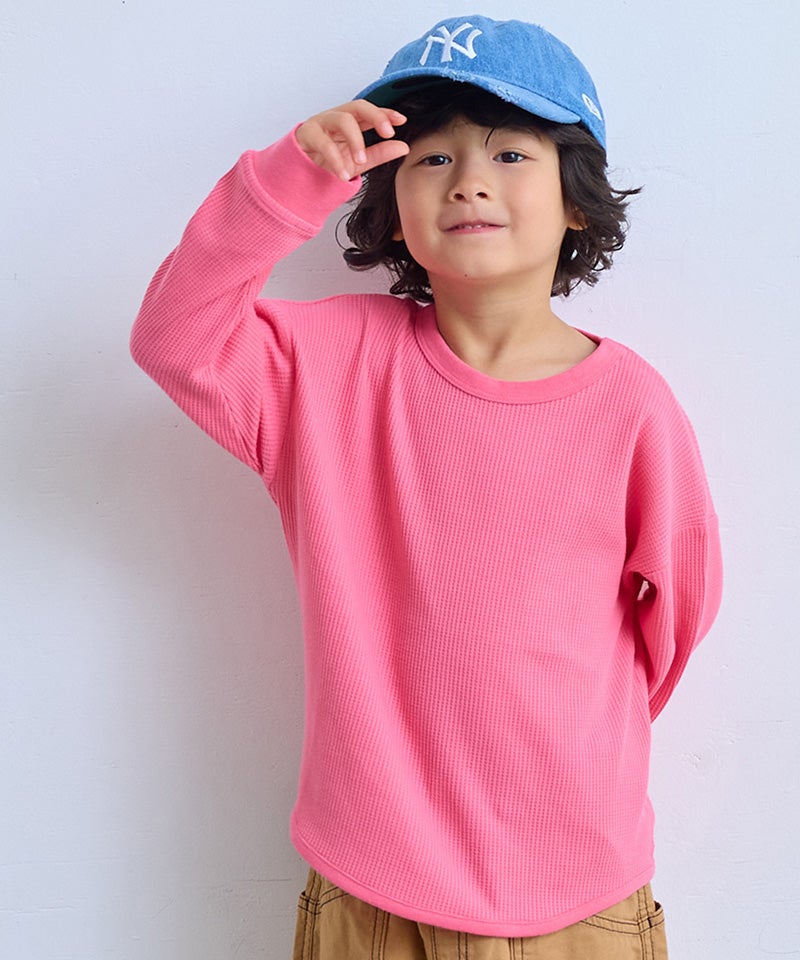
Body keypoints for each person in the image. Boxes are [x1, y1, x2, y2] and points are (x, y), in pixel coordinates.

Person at [131, 14, 722, 959]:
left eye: (510, 153)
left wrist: (563, 750)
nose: (468, 180)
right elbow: (175, 337)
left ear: (576, 200)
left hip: (581, 901)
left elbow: (675, 623)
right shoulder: (324, 365)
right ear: (389, 198)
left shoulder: (633, 408)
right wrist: (289, 179)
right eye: (431, 157)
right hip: (369, 897)